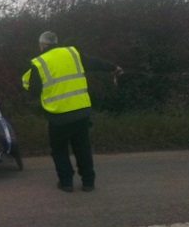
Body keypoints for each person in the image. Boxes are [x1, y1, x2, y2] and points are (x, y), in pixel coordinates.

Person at [22, 31, 123, 192]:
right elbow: (94, 63)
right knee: (82, 147)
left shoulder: (39, 62)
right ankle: (88, 182)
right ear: (56, 42)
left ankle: (66, 182)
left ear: (43, 45)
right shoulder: (72, 53)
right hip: (81, 111)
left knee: (59, 149)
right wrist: (113, 67)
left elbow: (33, 90)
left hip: (58, 115)